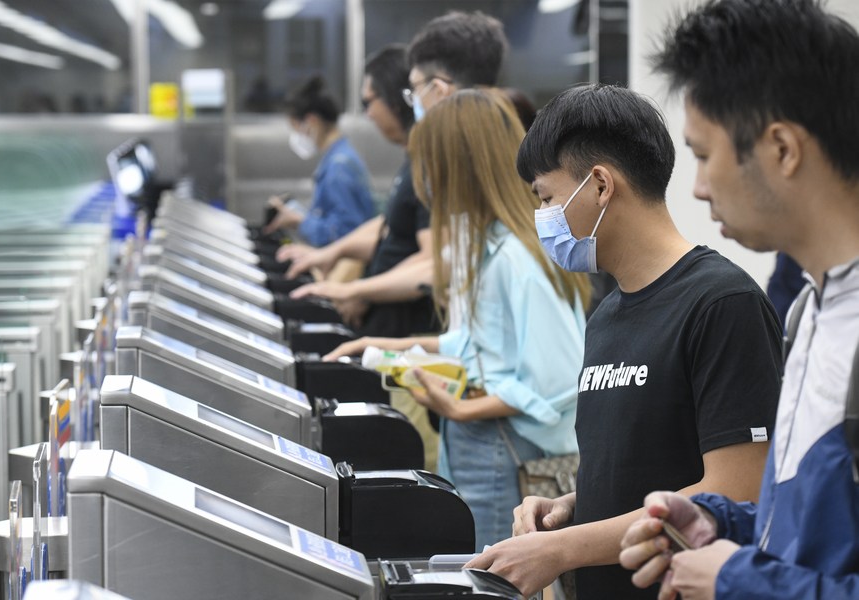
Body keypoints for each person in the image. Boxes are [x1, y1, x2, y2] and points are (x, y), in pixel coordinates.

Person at [465, 84, 784, 599]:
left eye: (546, 197)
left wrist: (564, 549)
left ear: (599, 185)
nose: (541, 217)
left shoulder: (723, 304)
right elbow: (644, 468)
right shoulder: (607, 313)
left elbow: (737, 490)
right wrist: (574, 506)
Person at [618, 1, 859, 599]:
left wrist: (738, 580)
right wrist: (723, 527)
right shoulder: (811, 307)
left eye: (703, 155)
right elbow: (820, 532)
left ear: (781, 148)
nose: (698, 187)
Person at [325, 89, 590, 550]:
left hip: (504, 451)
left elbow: (558, 377)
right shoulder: (485, 245)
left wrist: (464, 408)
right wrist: (387, 349)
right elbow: (476, 344)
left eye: (427, 162)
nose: (421, 178)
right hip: (478, 443)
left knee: (491, 575)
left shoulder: (515, 257)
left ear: (457, 167)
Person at [286, 11, 509, 331]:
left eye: (414, 90)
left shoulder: (455, 163)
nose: (413, 102)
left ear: (440, 91)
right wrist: (337, 256)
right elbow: (403, 231)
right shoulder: (450, 153)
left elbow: (437, 261)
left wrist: (357, 290)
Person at [276, 45, 437, 336]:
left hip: (404, 324)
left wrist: (359, 290)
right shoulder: (412, 157)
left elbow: (430, 258)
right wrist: (333, 254)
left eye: (369, 102)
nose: (369, 114)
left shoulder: (344, 165)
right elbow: (389, 226)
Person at [264, 75, 376, 247]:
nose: (297, 137)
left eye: (296, 128)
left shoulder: (339, 167)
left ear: (311, 121)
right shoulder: (337, 158)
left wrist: (301, 222)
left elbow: (344, 234)